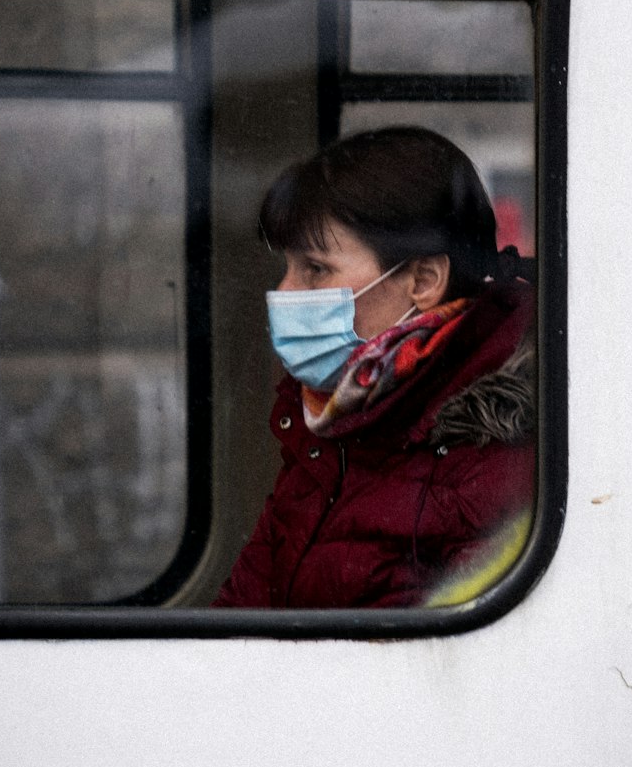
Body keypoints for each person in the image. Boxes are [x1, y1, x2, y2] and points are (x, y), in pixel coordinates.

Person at [213, 126, 535, 609]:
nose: (284, 292)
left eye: (315, 269)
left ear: (423, 280)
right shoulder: (332, 424)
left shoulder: (493, 464)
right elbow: (240, 617)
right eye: (288, 268)